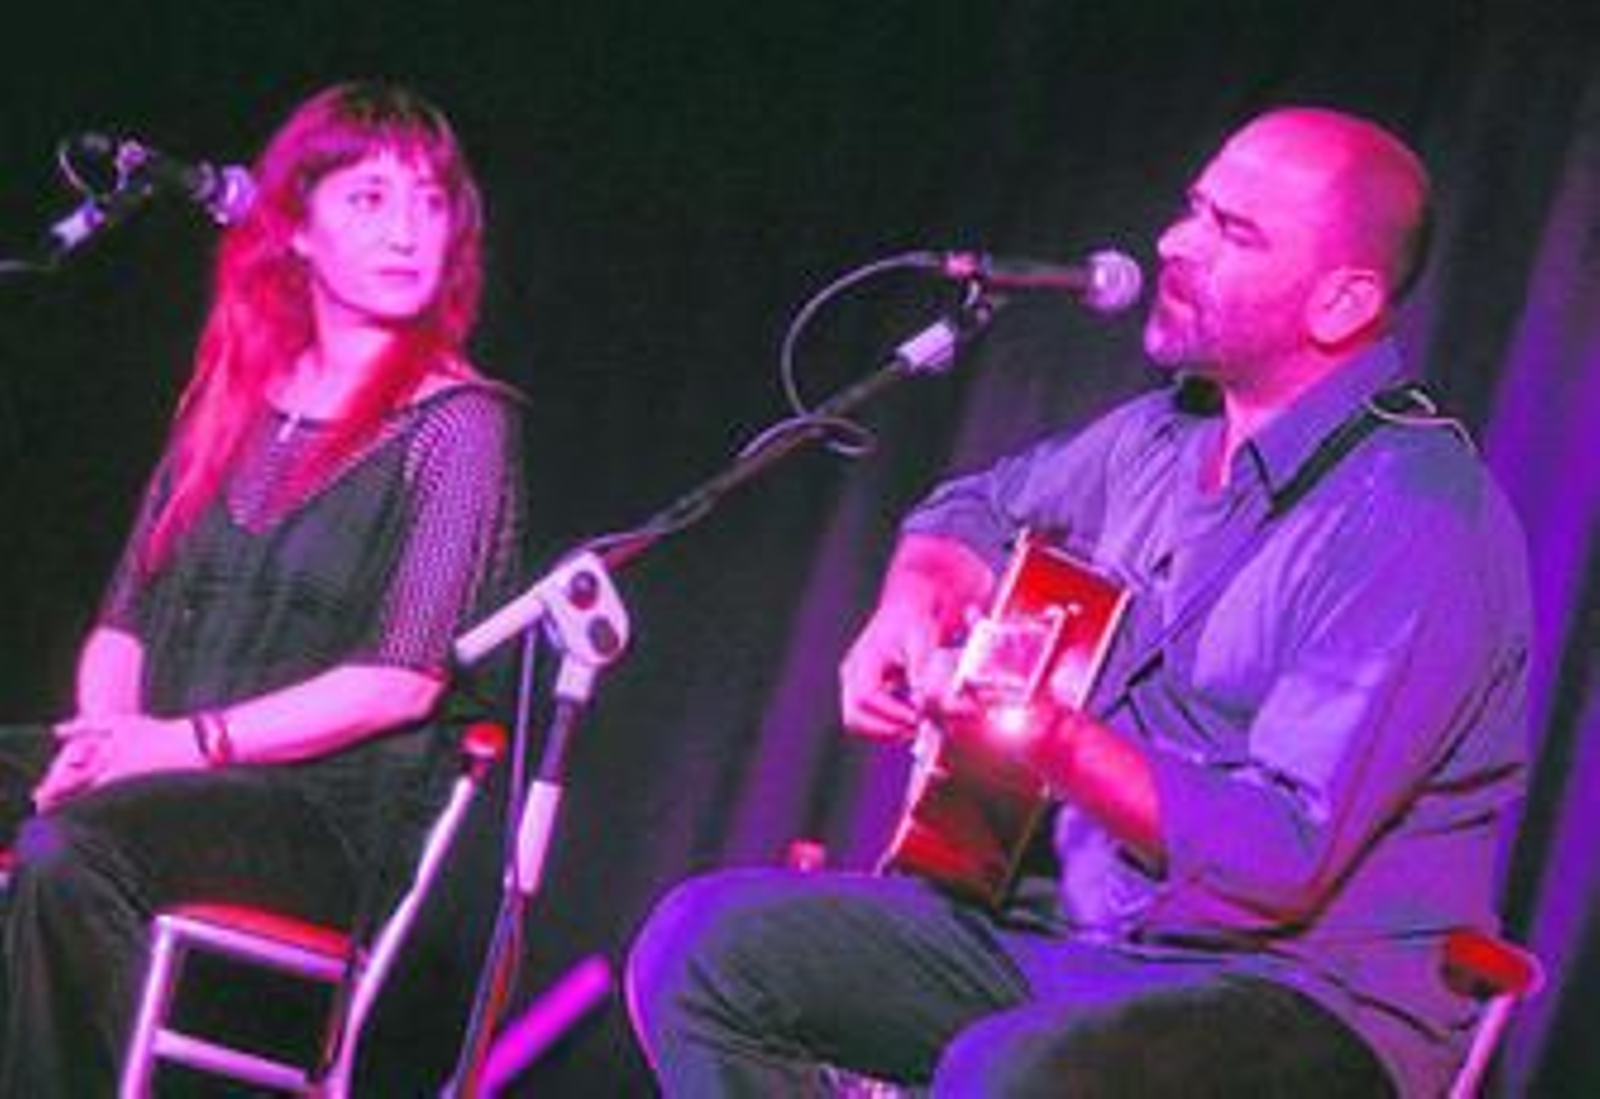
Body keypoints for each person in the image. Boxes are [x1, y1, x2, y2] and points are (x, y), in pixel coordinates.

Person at [625, 106, 1531, 1096]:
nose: (1173, 243)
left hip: (1300, 998)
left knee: (1009, 1069)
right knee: (706, 951)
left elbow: (1277, 856)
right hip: (1072, 948)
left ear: (1340, 303)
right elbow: (968, 510)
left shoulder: (1414, 517)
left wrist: (1048, 739)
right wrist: (913, 599)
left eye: (1234, 232)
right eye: (1193, 208)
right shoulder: (1156, 438)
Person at [0, 81, 527, 1093]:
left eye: (429, 201)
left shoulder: (459, 426)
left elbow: (400, 681)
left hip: (314, 819)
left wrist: (171, 748)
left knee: (70, 854)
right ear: (293, 229)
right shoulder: (233, 398)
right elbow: (124, 620)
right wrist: (108, 742)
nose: (409, 229)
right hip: (156, 773)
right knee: (52, 811)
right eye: (369, 199)